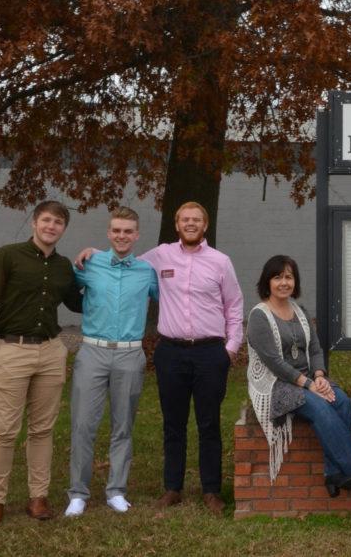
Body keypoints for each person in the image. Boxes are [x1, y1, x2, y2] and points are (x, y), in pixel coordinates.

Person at [77, 200, 244, 514]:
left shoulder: (221, 262)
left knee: (209, 424)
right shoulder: (159, 256)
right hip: (171, 352)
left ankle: (211, 490)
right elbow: (124, 262)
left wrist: (230, 349)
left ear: (204, 225)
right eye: (185, 219)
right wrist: (94, 254)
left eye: (196, 219)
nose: (190, 224)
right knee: (173, 423)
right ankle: (173, 487)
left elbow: (234, 307)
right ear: (177, 224)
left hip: (210, 352)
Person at [0, 200, 83, 527]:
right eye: (47, 220)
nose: (52, 226)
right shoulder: (8, 255)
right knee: (5, 430)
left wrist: (94, 265)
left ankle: (38, 497)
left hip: (50, 352)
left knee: (42, 429)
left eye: (58, 222)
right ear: (35, 222)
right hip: (10, 350)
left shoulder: (65, 266)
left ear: (63, 229)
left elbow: (78, 303)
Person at [246, 255, 351, 497]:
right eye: (277, 277)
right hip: (277, 384)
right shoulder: (259, 316)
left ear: (295, 282)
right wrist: (309, 385)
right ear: (267, 282)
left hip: (308, 378)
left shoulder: (300, 311)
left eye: (289, 277)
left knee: (341, 401)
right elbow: (275, 364)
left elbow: (315, 349)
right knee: (320, 406)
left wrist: (319, 376)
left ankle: (333, 474)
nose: (283, 283)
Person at [65, 207, 158, 517]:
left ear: (136, 235)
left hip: (131, 354)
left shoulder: (146, 271)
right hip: (93, 351)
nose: (122, 236)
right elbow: (64, 291)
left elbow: (173, 298)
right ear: (108, 233)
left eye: (128, 231)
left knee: (123, 425)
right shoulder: (89, 264)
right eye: (116, 230)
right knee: (82, 424)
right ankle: (78, 493)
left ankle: (116, 490)